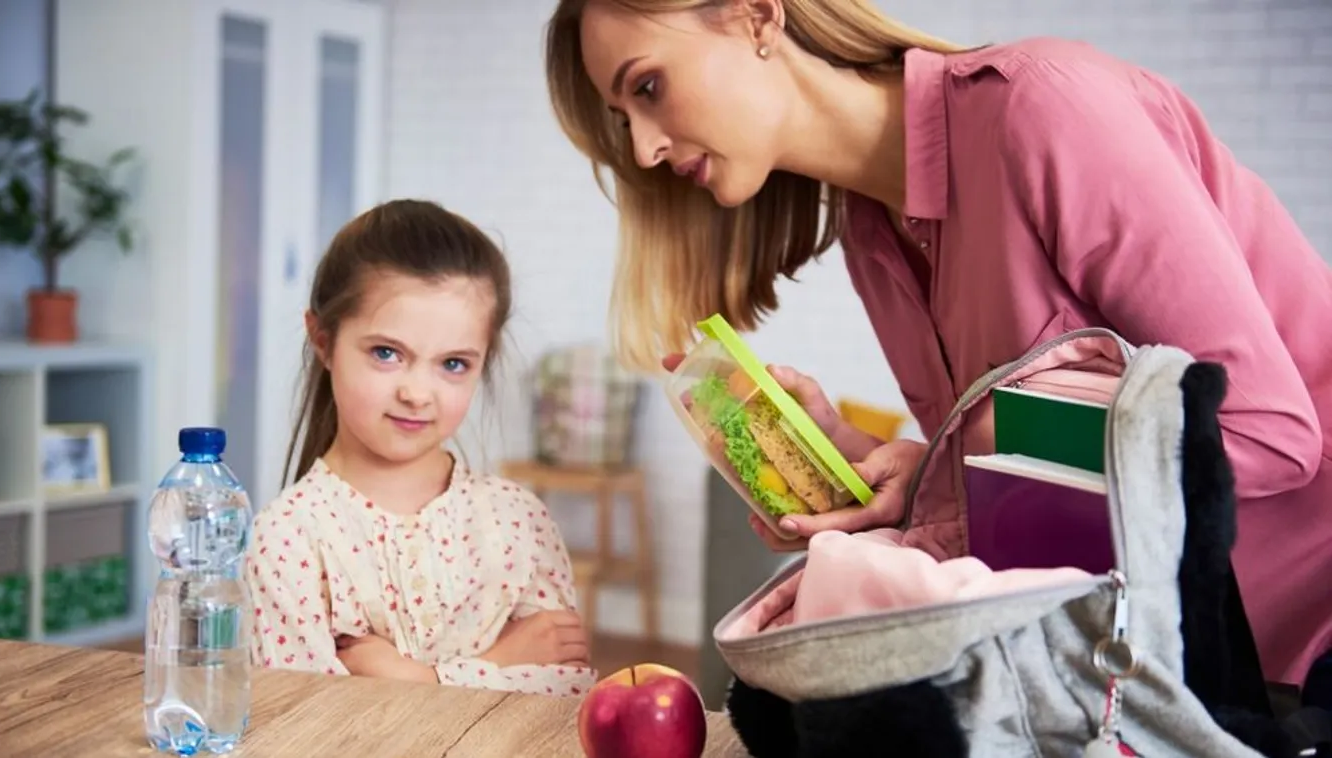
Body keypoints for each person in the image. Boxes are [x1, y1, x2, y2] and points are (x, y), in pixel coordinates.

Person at [543, 0, 1332, 702]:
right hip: (1180, 664)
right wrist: (902, 476)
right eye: (623, 118)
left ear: (756, 15)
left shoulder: (1045, 108)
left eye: (646, 87)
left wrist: (970, 456)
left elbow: (1268, 434)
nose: (643, 147)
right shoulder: (871, 236)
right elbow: (1034, 492)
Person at [246, 199, 596, 696]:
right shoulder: (289, 538)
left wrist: (418, 678)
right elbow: (306, 729)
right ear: (323, 341)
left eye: (453, 364)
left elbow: (563, 701)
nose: (417, 393)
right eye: (386, 353)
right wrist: (499, 664)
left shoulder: (519, 520)